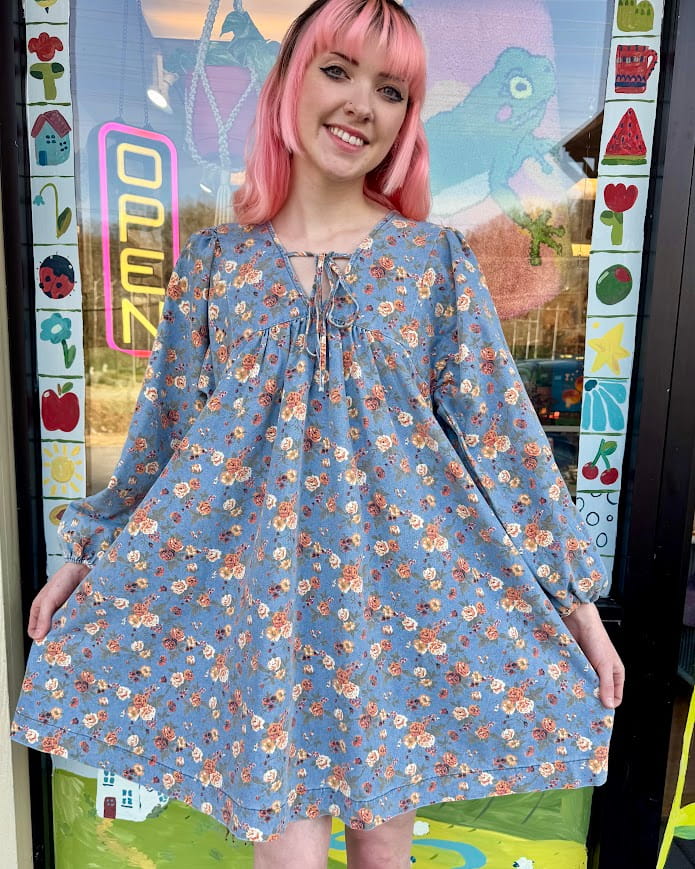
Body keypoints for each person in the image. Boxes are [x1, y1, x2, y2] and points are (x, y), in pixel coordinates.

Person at [13, 1, 625, 867]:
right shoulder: (216, 264)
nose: (360, 105)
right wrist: (89, 553)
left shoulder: (433, 263)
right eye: (337, 70)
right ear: (288, 82)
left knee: (382, 852)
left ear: (406, 119)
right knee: (286, 856)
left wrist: (575, 605)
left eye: (391, 90)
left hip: (396, 605)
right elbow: (163, 433)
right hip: (260, 603)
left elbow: (505, 440)